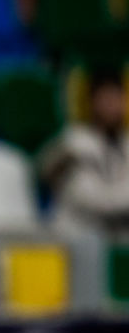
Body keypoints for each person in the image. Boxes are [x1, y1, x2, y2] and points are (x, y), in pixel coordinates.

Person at [40, 69, 129, 237]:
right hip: (78, 235)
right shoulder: (73, 144)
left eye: (117, 98)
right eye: (105, 99)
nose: (112, 106)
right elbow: (91, 199)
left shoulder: (126, 142)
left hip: (118, 237)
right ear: (92, 102)